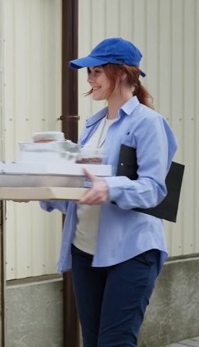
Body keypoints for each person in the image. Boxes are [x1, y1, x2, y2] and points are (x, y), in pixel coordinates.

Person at [39, 37, 178, 346]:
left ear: (124, 74)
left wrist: (109, 188)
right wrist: (45, 187)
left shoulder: (149, 123)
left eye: (97, 71)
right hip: (85, 250)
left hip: (131, 252)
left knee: (114, 342)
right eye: (89, 72)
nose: (89, 79)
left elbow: (154, 189)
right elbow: (85, 189)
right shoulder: (94, 125)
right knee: (92, 341)